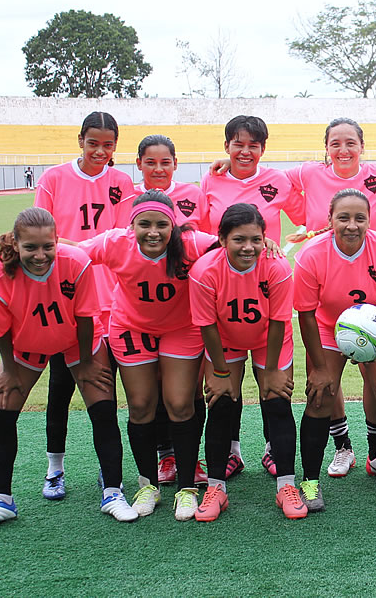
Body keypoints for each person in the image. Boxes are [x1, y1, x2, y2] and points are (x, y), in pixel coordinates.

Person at [0, 208, 135, 530]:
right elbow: (0, 330)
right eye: (30, 247)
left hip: (77, 340)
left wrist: (86, 363)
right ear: (15, 244)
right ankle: (1, 501)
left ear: (57, 241)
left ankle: (113, 493)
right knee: (1, 409)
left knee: (103, 406)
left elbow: (85, 316)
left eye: (48, 246)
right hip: (27, 343)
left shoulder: (75, 261)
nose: (40, 255)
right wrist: (9, 370)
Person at [75, 191, 216, 521]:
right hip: (131, 327)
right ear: (131, 226)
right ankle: (147, 485)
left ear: (173, 225)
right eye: (145, 225)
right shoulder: (115, 243)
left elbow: (229, 246)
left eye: (162, 225)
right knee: (140, 406)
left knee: (180, 404)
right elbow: (73, 252)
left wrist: (265, 244)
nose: (153, 232)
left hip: (181, 328)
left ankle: (186, 487)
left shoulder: (191, 243)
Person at [294, 189, 376, 509]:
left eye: (360, 218)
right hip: (328, 327)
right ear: (330, 220)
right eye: (344, 218)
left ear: (369, 220)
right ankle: (309, 482)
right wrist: (320, 368)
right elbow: (306, 314)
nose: (352, 225)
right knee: (320, 395)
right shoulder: (311, 254)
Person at [33, 111, 134, 500]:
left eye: (108, 145)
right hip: (68, 297)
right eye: (93, 143)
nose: (100, 151)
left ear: (115, 146)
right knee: (60, 386)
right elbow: (43, 235)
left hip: (114, 299)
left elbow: (124, 237)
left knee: (108, 389)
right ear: (80, 141)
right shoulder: (54, 179)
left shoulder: (121, 182)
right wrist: (78, 252)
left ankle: (109, 472)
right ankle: (54, 468)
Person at [201, 115, 305, 481]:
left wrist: (283, 244)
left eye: (253, 146)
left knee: (271, 381)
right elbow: (201, 231)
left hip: (266, 287)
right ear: (226, 145)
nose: (246, 152)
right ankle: (232, 451)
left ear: (263, 148)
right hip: (225, 289)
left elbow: (307, 216)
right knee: (226, 387)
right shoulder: (211, 179)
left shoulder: (278, 180)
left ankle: (272, 448)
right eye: (238, 145)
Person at [189, 203, 303, 520]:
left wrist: (272, 371)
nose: (248, 247)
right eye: (239, 239)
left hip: (269, 338)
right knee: (221, 401)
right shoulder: (204, 271)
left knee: (277, 400)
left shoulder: (276, 267)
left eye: (256, 239)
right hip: (225, 339)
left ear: (265, 239)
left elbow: (279, 321)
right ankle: (216, 488)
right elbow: (207, 325)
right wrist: (220, 371)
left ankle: (286, 485)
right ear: (222, 239)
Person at [135, 134, 210, 486]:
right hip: (143, 307)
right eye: (151, 162)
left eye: (165, 162)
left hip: (188, 307)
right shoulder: (130, 199)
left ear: (176, 164)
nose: (158, 169)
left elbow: (209, 242)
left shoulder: (194, 194)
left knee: (190, 391)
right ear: (139, 164)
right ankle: (165, 455)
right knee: (155, 391)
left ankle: (190, 459)